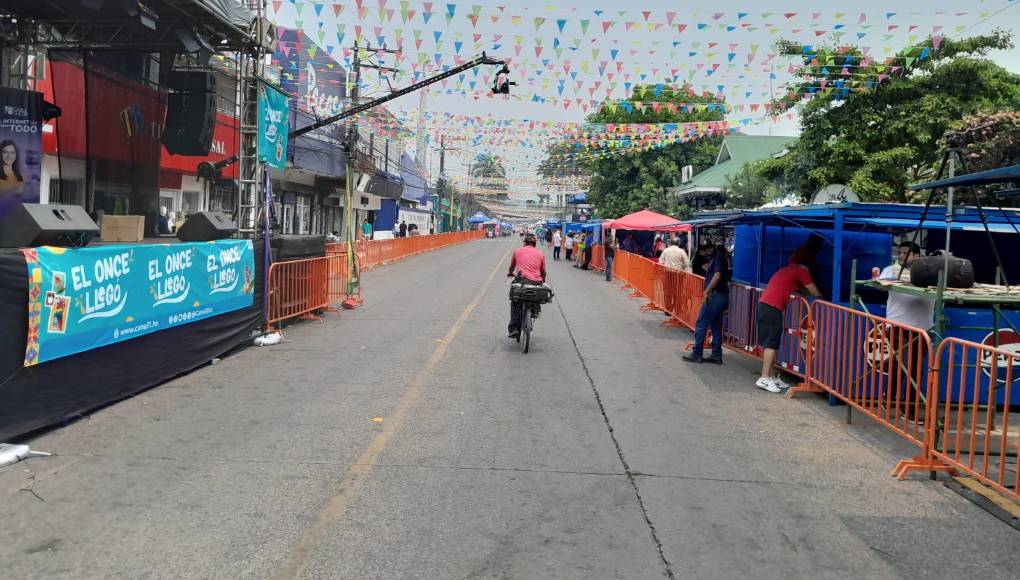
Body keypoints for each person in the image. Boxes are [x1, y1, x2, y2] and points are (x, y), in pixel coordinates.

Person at [879, 241, 935, 417]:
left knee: (916, 369)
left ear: (917, 256)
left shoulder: (930, 273)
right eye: (900, 252)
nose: (901, 256)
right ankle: (889, 399)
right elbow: (881, 284)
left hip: (923, 330)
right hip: (898, 327)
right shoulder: (890, 270)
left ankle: (909, 408)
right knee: (902, 365)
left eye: (906, 253)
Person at [755, 248, 822, 393]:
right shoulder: (801, 272)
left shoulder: (787, 270)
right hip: (772, 308)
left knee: (769, 344)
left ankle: (771, 377)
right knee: (771, 344)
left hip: (765, 305)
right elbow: (814, 291)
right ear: (806, 265)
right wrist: (824, 300)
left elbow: (798, 289)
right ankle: (764, 377)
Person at [683, 245, 730, 365]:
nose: (708, 250)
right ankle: (716, 354)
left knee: (701, 323)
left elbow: (717, 275)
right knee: (716, 326)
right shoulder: (721, 258)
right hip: (721, 295)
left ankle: (697, 353)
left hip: (715, 295)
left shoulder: (718, 258)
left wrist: (707, 291)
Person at [507, 233, 547, 339]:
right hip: (536, 282)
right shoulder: (540, 254)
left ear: (525, 242)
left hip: (522, 281)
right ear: (534, 244)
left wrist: (510, 273)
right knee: (536, 295)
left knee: (515, 302)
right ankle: (535, 309)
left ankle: (514, 328)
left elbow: (511, 266)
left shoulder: (517, 251)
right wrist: (543, 279)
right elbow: (543, 271)